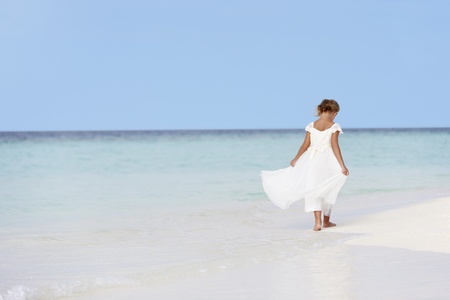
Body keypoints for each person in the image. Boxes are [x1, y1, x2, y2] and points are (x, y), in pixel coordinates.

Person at [261, 99, 349, 231]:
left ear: (321, 110)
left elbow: (305, 145)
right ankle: (327, 221)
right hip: (328, 160)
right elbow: (335, 146)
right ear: (334, 113)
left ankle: (317, 222)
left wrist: (296, 158)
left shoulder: (311, 125)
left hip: (312, 160)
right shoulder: (334, 126)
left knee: (313, 188)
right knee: (327, 188)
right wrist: (342, 165)